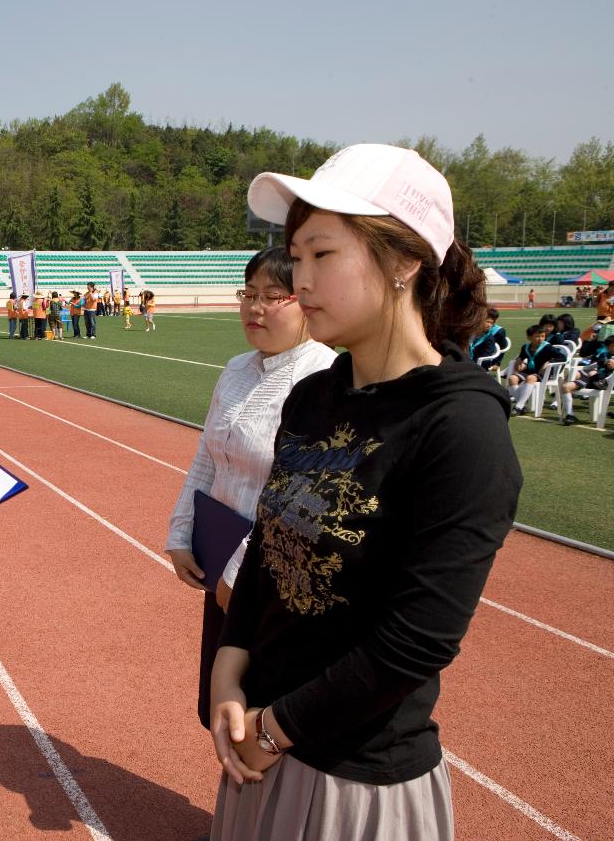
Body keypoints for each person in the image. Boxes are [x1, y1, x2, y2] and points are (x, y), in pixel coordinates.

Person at [211, 144, 522, 840]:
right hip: (262, 745)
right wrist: (227, 669)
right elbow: (269, 541)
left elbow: (418, 639)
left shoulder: (461, 426)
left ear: (405, 260)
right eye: (296, 255)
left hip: (356, 777)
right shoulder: (314, 395)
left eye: (323, 254)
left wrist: (275, 728)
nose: (300, 277)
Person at [165, 247, 334, 730]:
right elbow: (207, 454)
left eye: (272, 296)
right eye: (248, 294)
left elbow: (300, 495)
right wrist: (181, 532)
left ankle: (271, 808)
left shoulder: (321, 378)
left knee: (264, 711)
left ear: (305, 301)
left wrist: (239, 572)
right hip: (222, 566)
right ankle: (239, 807)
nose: (255, 308)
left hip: (274, 578)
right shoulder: (237, 369)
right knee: (221, 707)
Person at [507, 324, 561, 415]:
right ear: (529, 337)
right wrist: (519, 363)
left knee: (530, 378)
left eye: (543, 336)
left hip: (543, 373)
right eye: (537, 336)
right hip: (529, 371)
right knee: (512, 378)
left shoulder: (548, 347)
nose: (540, 339)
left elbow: (563, 357)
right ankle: (522, 405)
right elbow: (521, 357)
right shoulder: (526, 347)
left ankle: (518, 406)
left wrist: (549, 361)